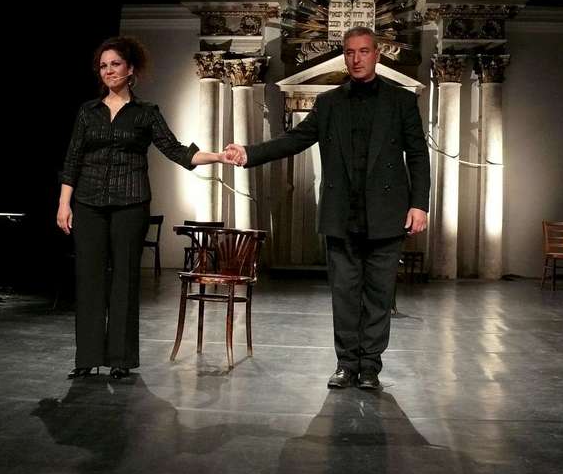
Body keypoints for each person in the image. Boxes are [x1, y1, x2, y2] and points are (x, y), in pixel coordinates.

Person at [226, 27, 430, 390]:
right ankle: (346, 364)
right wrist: (249, 154)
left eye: (363, 51)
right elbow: (294, 140)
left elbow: (417, 155)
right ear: (344, 56)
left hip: (386, 213)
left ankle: (370, 367)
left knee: (379, 295)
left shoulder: (400, 101)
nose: (356, 59)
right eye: (350, 52)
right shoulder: (329, 103)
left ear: (376, 54)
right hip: (342, 214)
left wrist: (419, 205)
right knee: (345, 295)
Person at [57, 36, 230, 380]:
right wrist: (64, 203)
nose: (108, 71)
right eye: (103, 66)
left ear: (130, 69)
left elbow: (176, 150)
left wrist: (218, 156)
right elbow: (73, 158)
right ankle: (87, 357)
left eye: (115, 64)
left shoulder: (146, 113)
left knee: (124, 278)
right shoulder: (88, 112)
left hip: (130, 203)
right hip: (88, 202)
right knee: (89, 278)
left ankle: (120, 359)